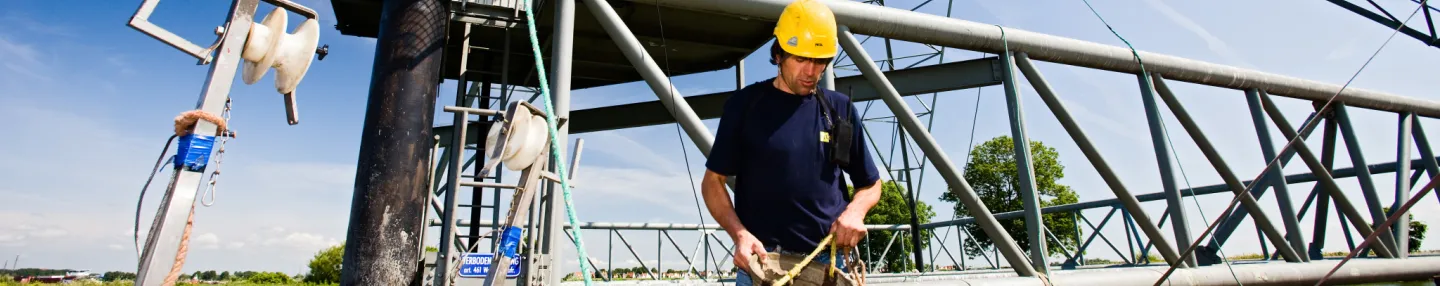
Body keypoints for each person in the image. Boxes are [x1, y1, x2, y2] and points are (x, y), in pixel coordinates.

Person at [700, 0, 882, 284]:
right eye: (801, 59)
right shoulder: (744, 106)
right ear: (779, 54)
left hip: (827, 263)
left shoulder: (839, 109)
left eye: (820, 61)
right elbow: (712, 182)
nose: (811, 72)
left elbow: (870, 184)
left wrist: (855, 212)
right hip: (762, 262)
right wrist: (740, 234)